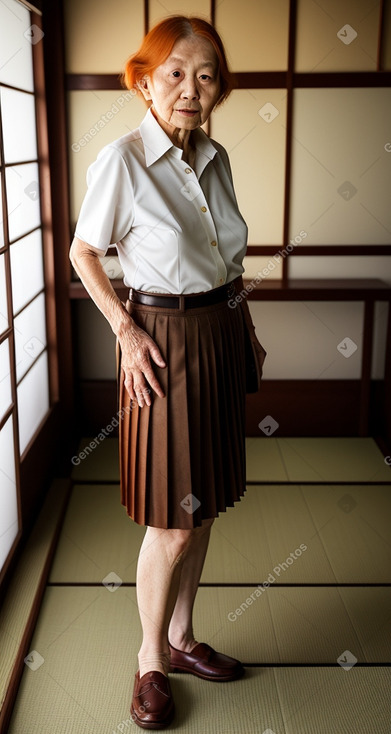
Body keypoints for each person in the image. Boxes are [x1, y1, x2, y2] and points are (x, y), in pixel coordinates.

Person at [70, 15, 264, 730]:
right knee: (172, 519)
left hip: (217, 329)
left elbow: (225, 258)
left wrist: (239, 324)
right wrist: (123, 330)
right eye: (176, 72)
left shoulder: (213, 154)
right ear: (145, 80)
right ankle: (150, 659)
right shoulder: (120, 161)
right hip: (160, 339)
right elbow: (82, 253)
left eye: (206, 73)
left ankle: (182, 638)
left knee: (204, 504)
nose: (192, 87)